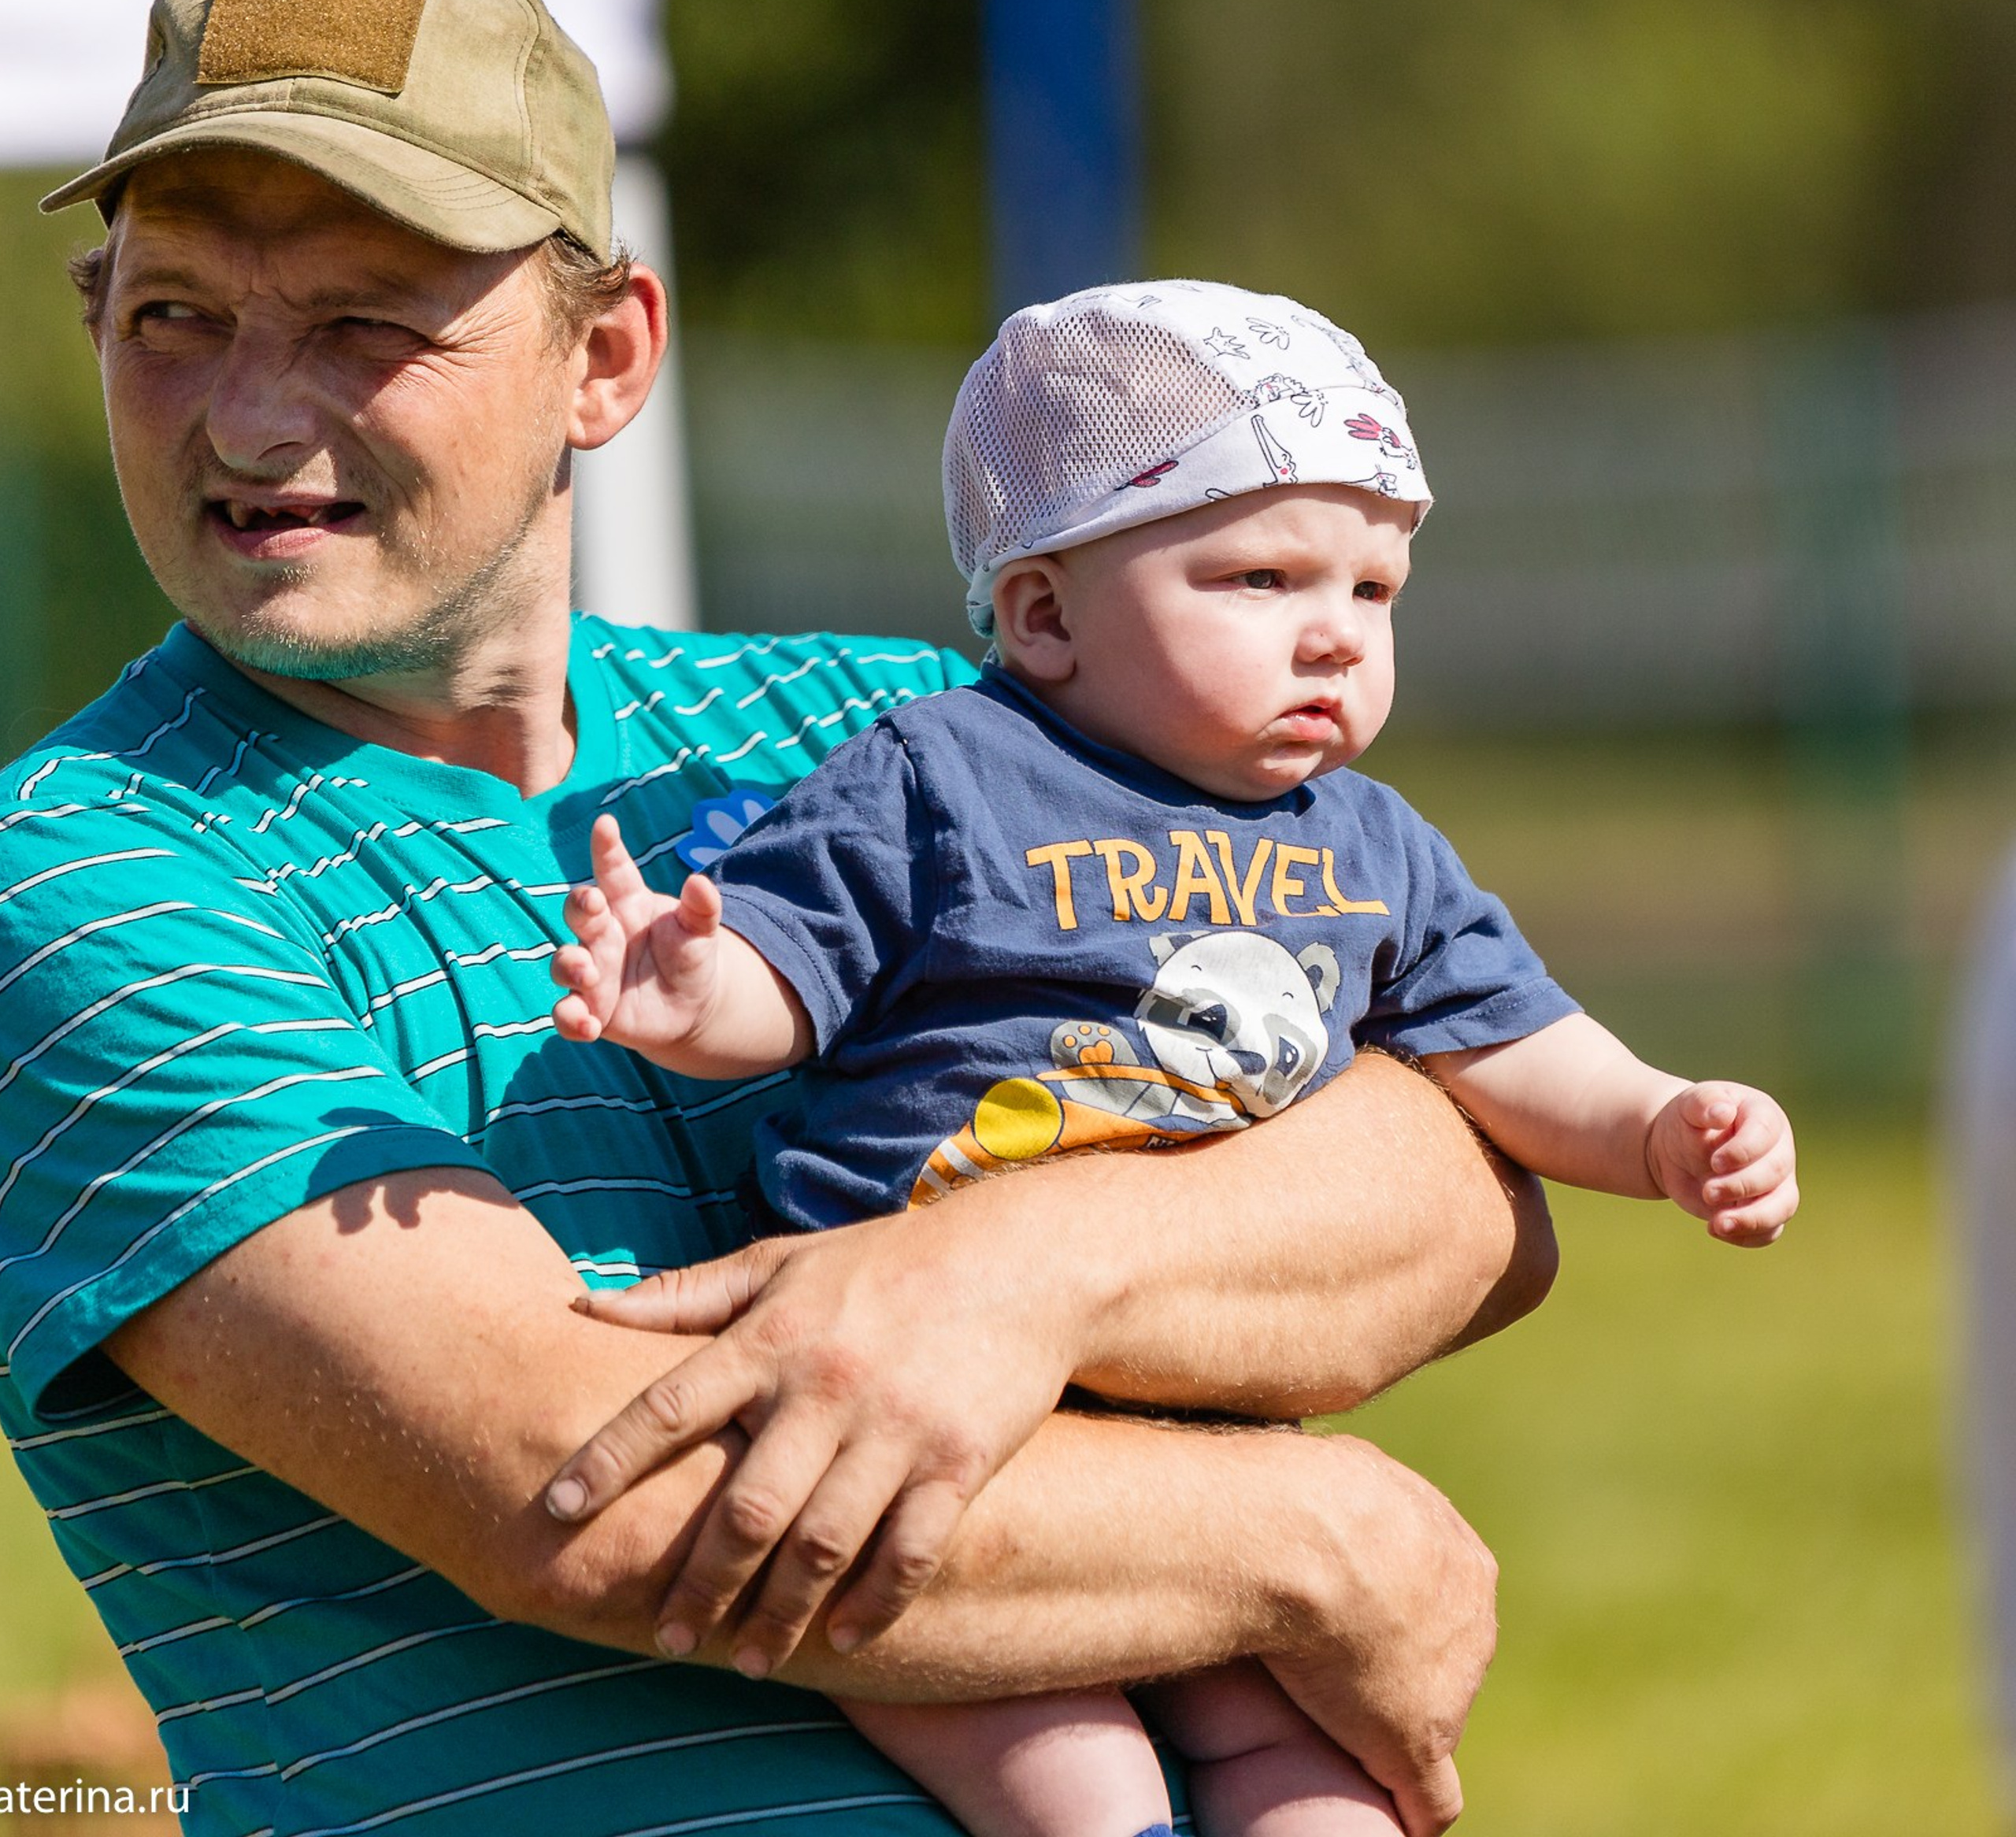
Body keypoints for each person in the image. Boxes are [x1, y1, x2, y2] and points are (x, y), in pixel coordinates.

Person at [0, 0, 1557, 1837]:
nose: (245, 416)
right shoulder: (72, 877)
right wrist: (1313, 1529)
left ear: (607, 359)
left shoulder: (902, 719)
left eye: (362, 321)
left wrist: (1019, 1267)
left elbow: (1454, 1171)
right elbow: (591, 1488)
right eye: (172, 315)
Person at [548, 280, 1803, 1837]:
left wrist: (1661, 1118)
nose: (1331, 633)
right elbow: (788, 976)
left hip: (1203, 1409)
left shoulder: (1369, 844)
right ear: (1044, 613)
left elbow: (1510, 1044)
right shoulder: (945, 768)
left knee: (1308, 1756)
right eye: (1260, 575)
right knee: (1065, 1758)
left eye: (1372, 587)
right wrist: (683, 984)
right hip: (919, 1407)